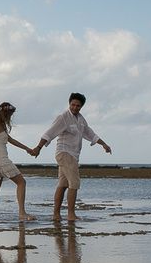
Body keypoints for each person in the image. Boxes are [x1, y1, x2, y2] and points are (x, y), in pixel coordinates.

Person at [32, 92, 111, 221]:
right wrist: (38, 148)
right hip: (64, 153)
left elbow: (89, 132)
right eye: (73, 105)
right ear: (69, 104)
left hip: (73, 155)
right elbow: (49, 133)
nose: (75, 108)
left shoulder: (80, 119)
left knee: (63, 184)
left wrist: (104, 144)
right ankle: (71, 214)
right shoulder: (63, 117)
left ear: (81, 106)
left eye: (78, 106)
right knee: (74, 183)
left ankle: (56, 215)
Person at [0, 102, 37, 223]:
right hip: (1, 160)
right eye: (8, 114)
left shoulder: (1, 125)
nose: (9, 117)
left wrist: (26, 148)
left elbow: (11, 140)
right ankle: (21, 212)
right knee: (21, 182)